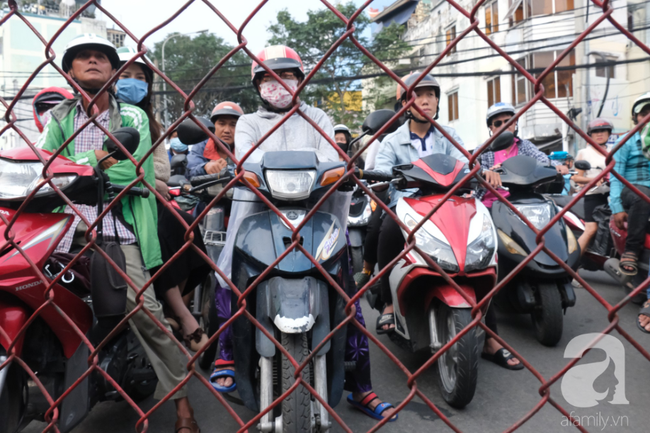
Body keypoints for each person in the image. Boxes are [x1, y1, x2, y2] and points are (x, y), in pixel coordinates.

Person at [211, 45, 397, 422]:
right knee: (231, 280)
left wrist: (339, 170)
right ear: (257, 84)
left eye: (287, 76)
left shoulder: (319, 118)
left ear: (300, 80)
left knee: (348, 300)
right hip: (261, 212)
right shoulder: (248, 123)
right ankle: (227, 354)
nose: (278, 84)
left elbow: (331, 156)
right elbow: (246, 160)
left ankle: (360, 387)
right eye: (268, 78)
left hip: (316, 214)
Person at [35, 34, 199, 433]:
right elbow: (45, 168)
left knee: (144, 312)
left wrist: (77, 166)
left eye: (101, 57)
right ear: (70, 70)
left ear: (111, 70)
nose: (93, 62)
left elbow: (133, 171)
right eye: (83, 57)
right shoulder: (59, 118)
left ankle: (182, 404)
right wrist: (96, 162)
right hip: (62, 226)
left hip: (115, 223)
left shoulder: (133, 118)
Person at [116, 46, 211, 353]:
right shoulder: (97, 115)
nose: (132, 82)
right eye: (125, 76)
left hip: (144, 198)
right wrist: (137, 174)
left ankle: (175, 307)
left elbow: (161, 172)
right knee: (164, 227)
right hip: (101, 202)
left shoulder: (149, 122)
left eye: (139, 78)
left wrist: (131, 173)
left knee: (184, 227)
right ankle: (180, 315)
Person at [611, 92, 650, 279]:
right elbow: (615, 177)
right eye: (645, 113)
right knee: (643, 195)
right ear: (636, 117)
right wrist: (617, 207)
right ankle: (631, 251)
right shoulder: (624, 142)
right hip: (633, 189)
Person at [572, 118, 611, 254]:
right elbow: (575, 177)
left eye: (603, 131)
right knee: (591, 229)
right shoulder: (584, 153)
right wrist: (593, 179)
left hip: (614, 195)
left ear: (609, 133)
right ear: (590, 135)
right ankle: (572, 263)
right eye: (595, 132)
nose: (599, 134)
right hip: (593, 195)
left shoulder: (614, 150)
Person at [187, 101, 243, 178]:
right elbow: (190, 170)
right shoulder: (201, 146)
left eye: (233, 125)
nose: (227, 130)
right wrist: (205, 167)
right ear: (213, 126)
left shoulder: (247, 148)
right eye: (222, 124)